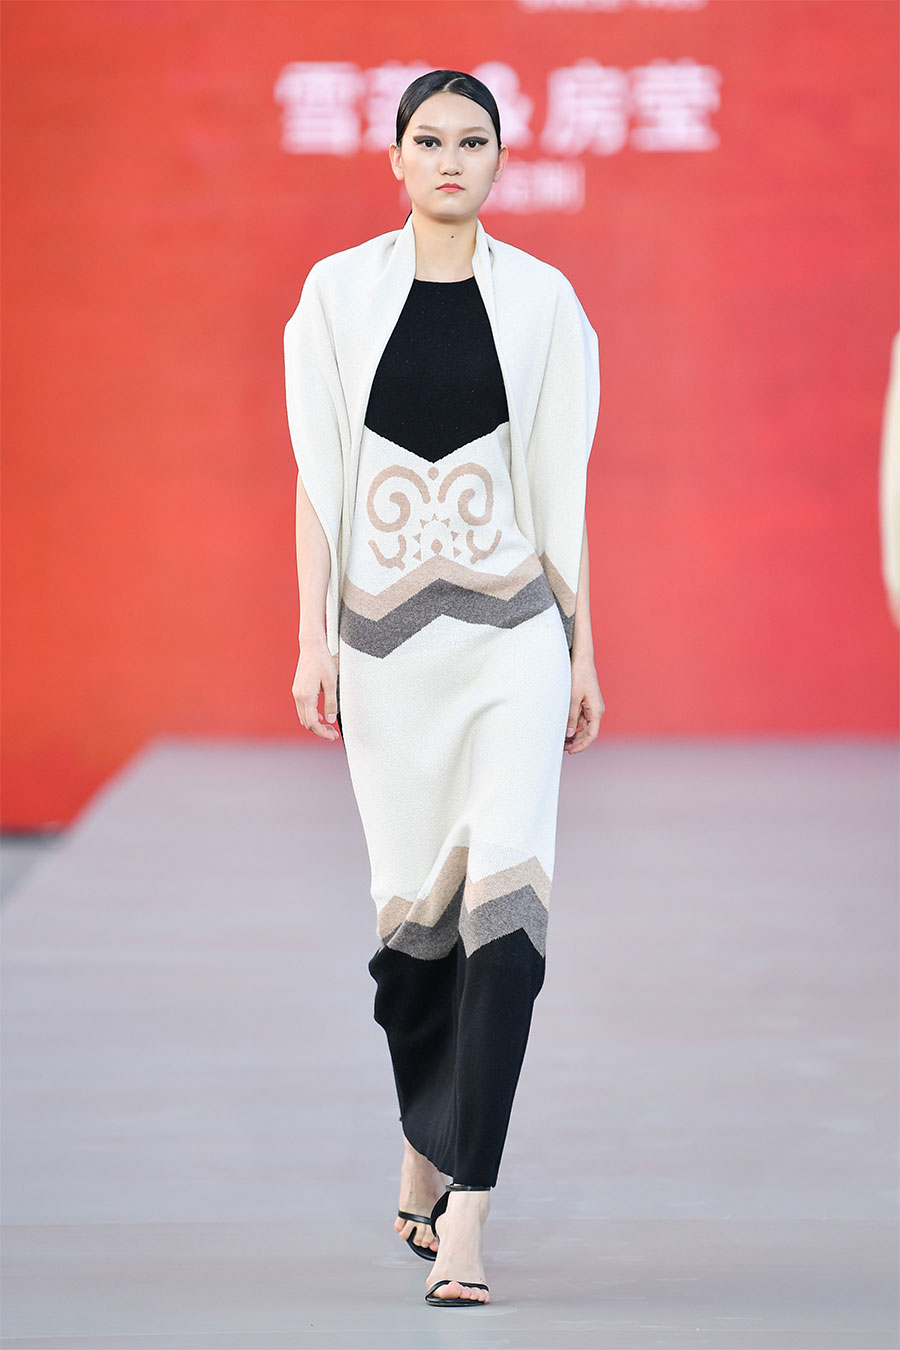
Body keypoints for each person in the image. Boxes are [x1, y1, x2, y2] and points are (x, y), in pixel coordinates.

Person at [284, 69, 603, 1308]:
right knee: (412, 941)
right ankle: (424, 1140)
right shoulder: (334, 295)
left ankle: (467, 1212)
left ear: (501, 161)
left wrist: (581, 648)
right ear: (397, 158)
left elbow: (562, 491)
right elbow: (318, 483)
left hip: (513, 636)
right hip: (383, 652)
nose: (451, 159)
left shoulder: (544, 301)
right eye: (430, 140)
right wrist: (312, 638)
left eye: (474, 141)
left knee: (505, 919)